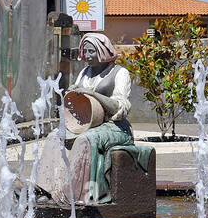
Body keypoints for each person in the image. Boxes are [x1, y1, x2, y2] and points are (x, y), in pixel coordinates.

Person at [36, 33, 134, 207]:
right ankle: (45, 189)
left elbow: (121, 107)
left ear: (103, 51)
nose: (87, 56)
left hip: (114, 126)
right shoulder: (85, 72)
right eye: (85, 51)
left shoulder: (120, 73)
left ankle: (69, 195)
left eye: (91, 52)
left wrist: (92, 93)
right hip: (86, 123)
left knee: (84, 140)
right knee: (54, 136)